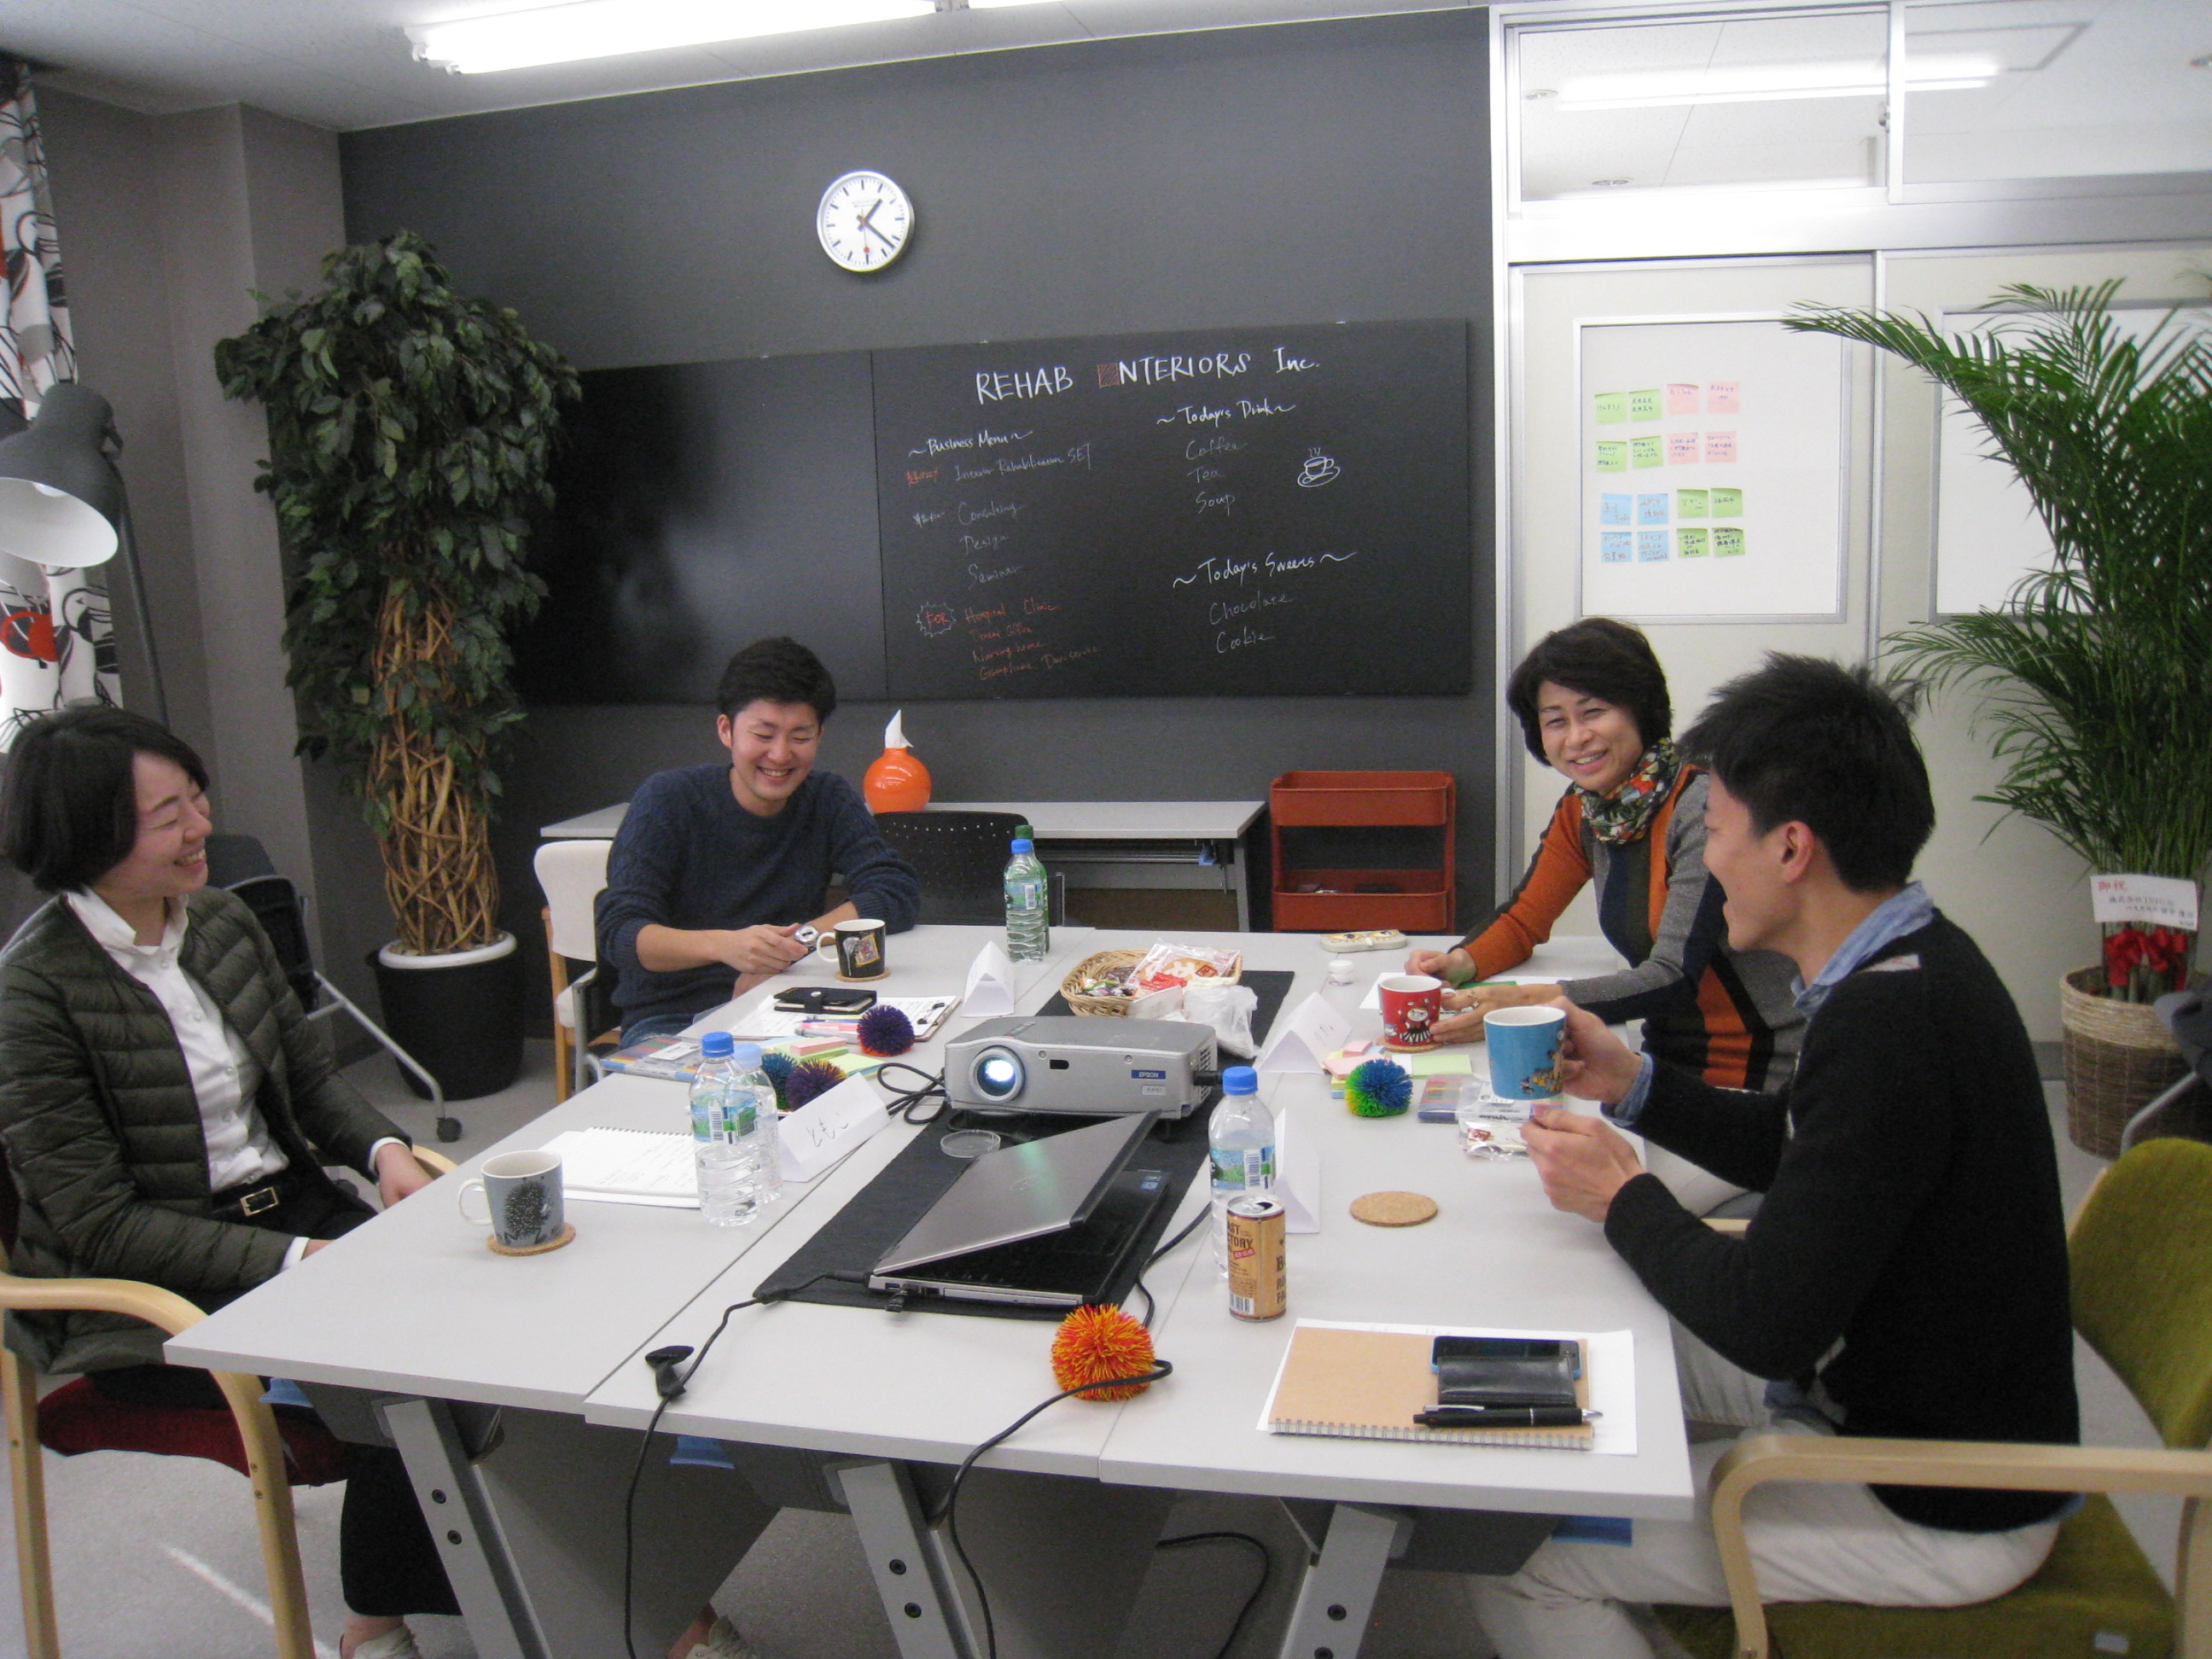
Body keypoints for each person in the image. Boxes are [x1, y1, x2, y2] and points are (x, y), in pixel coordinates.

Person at [1470, 655, 2078, 1659]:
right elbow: (1798, 1145)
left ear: (1791, 847)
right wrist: (1632, 1081)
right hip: (1868, 1381)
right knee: (1586, 1354)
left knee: (1519, 1555)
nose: (1708, 866)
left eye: (1715, 835)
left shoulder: (1894, 1025)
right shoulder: (1904, 963)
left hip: (1936, 1490)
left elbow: (1767, 1320)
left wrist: (1622, 1198)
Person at [0, 707, 454, 1659]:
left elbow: (311, 1080)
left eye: (196, 799)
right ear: (87, 836)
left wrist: (386, 1153)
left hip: (290, 1215)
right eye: (168, 816)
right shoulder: (31, 992)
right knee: (409, 1360)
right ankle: (376, 1622)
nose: (202, 827)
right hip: (153, 1276)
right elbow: (99, 1224)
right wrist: (303, 1259)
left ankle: (527, 1584)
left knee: (495, 1304)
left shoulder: (221, 919)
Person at [1408, 618, 1801, 1091]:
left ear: (1640, 710)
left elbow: (1674, 976)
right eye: (1556, 721)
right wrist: (1459, 964)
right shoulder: (1587, 808)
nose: (1576, 738)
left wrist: (1530, 1002)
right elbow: (1525, 919)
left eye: (1593, 712)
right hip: (1661, 1053)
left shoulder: (1704, 809)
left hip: (1755, 1070)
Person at [597, 637, 921, 1042]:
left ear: (819, 735)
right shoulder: (669, 800)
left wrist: (793, 946)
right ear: (726, 730)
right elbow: (621, 934)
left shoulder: (827, 797)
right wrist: (726, 947)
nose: (780, 755)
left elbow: (894, 889)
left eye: (800, 737)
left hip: (790, 1006)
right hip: (673, 1018)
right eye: (764, 735)